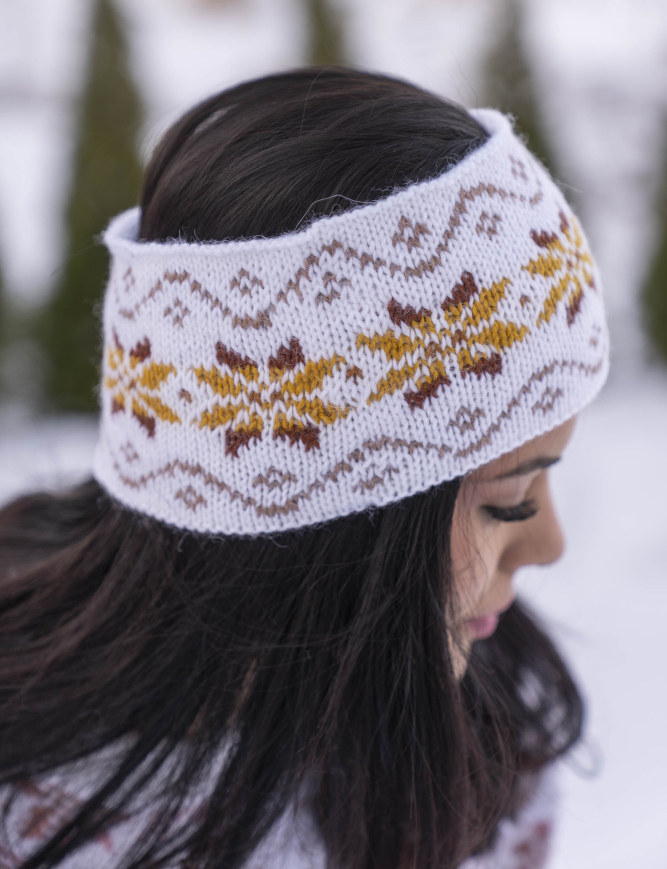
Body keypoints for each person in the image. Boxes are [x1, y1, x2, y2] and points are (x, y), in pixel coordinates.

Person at [0, 67, 608, 869]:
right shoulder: (39, 818)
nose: (548, 544)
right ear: (321, 524)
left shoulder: (488, 732)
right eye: (509, 499)